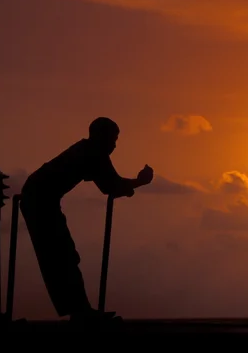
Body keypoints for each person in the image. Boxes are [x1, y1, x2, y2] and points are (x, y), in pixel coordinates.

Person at [20, 117, 154, 325]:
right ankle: (80, 311)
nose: (114, 145)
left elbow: (110, 184)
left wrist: (129, 186)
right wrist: (140, 182)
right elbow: (111, 186)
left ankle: (80, 309)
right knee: (61, 254)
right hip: (38, 199)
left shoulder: (90, 150)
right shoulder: (94, 152)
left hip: (42, 198)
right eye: (113, 139)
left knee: (64, 254)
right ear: (102, 136)